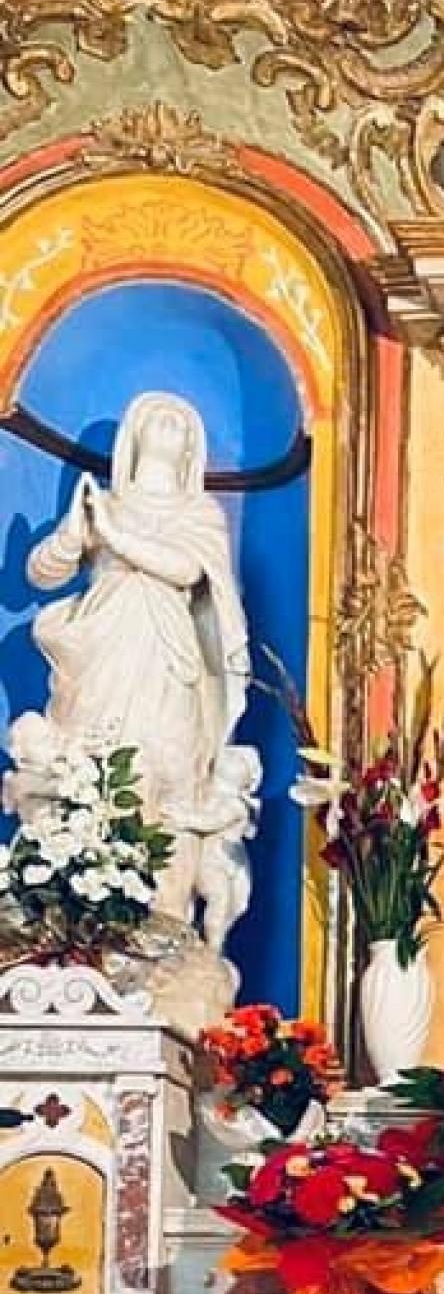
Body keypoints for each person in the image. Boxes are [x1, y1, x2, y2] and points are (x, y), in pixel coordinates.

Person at [19, 392, 257, 946]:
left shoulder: (199, 513)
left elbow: (186, 569)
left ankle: (167, 930)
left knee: (168, 778)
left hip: (168, 659)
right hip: (100, 653)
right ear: (135, 435)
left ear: (191, 449)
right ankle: (80, 932)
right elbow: (40, 574)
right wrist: (73, 534)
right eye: (157, 418)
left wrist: (112, 533)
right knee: (91, 777)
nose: (169, 424)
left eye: (180, 422)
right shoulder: (103, 503)